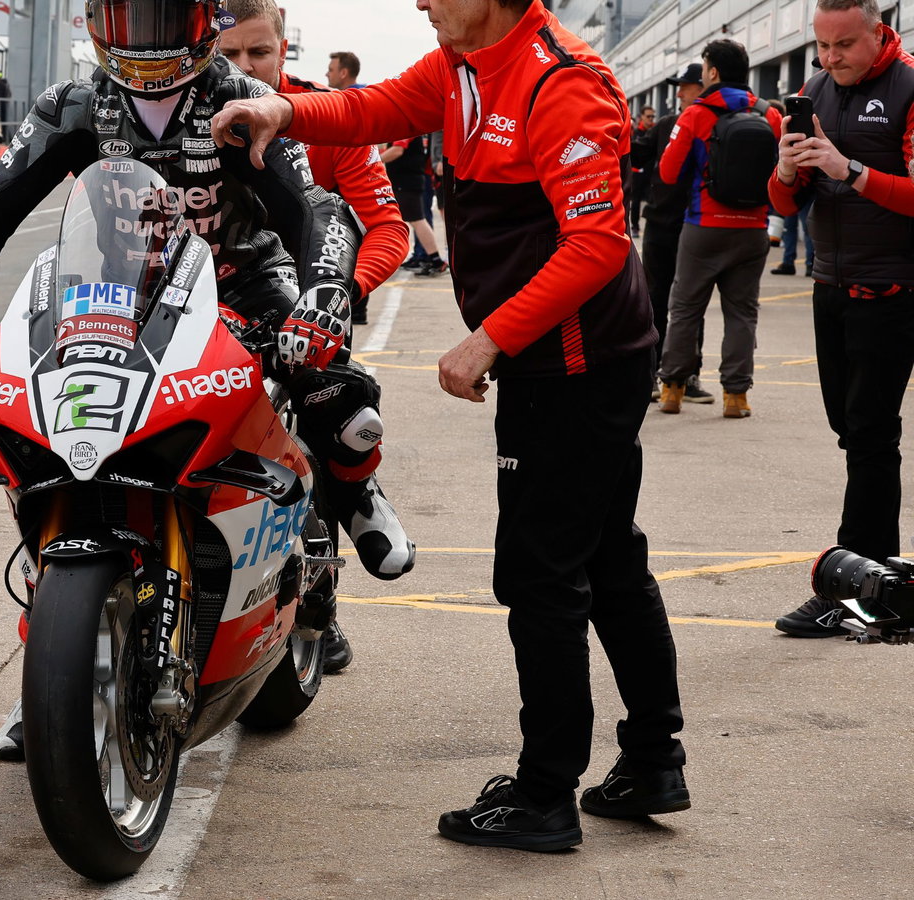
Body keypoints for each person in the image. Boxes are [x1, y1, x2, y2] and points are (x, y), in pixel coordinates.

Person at [217, 0, 688, 852]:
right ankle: (654, 760)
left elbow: (597, 244)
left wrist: (488, 338)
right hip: (570, 362)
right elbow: (369, 108)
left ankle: (545, 794)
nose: (421, 3)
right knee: (609, 557)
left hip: (576, 368)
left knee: (540, 577)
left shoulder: (561, 81)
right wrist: (283, 109)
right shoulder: (463, 62)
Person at [0, 0, 418, 758]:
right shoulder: (71, 105)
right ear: (99, 21)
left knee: (338, 396)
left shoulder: (241, 99)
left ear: (201, 20)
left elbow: (317, 208)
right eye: (131, 18)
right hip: (113, 298)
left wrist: (325, 290)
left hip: (242, 288)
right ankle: (54, 676)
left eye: (163, 18)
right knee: (54, 451)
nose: (147, 40)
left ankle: (356, 496)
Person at [218, 0, 415, 673]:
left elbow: (388, 227)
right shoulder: (175, 111)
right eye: (229, 54)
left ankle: (322, 594)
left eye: (259, 53)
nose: (245, 68)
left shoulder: (326, 117)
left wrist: (338, 294)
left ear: (284, 49)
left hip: (305, 308)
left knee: (323, 421)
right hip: (197, 306)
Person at [770, 0, 914, 637]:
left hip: (892, 287)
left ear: (880, 32)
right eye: (822, 46)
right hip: (829, 282)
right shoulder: (816, 91)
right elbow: (783, 202)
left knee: (870, 434)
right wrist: (785, 170)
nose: (831, 59)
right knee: (850, 429)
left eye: (845, 45)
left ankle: (860, 587)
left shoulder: (909, 86)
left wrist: (848, 169)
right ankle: (878, 578)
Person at [656, 40, 782, 419]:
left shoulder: (696, 114)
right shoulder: (770, 115)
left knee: (685, 309)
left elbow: (668, 173)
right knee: (742, 313)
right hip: (753, 228)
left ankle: (672, 390)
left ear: (712, 72)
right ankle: (736, 397)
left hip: (704, 227)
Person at [639, 64, 713, 404]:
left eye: (685, 86)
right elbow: (636, 152)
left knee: (691, 303)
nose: (679, 92)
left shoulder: (715, 123)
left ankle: (687, 375)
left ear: (703, 85)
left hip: (696, 226)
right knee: (655, 301)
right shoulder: (667, 124)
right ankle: (652, 372)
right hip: (659, 226)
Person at [381, 135, 448, 276]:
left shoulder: (404, 131)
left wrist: (373, 161)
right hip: (405, 181)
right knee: (415, 220)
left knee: (417, 220)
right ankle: (431, 259)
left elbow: (397, 150)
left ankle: (435, 260)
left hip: (408, 181)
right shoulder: (401, 130)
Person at [628, 107, 656, 237]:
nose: (651, 119)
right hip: (637, 173)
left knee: (653, 199)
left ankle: (653, 227)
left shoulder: (655, 131)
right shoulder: (635, 132)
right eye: (648, 116)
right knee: (636, 201)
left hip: (651, 172)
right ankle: (635, 226)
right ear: (642, 117)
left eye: (652, 117)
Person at [772, 194, 815, 276]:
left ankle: (808, 263)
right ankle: (806, 263)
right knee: (791, 228)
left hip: (800, 193)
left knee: (800, 228)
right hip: (796, 194)